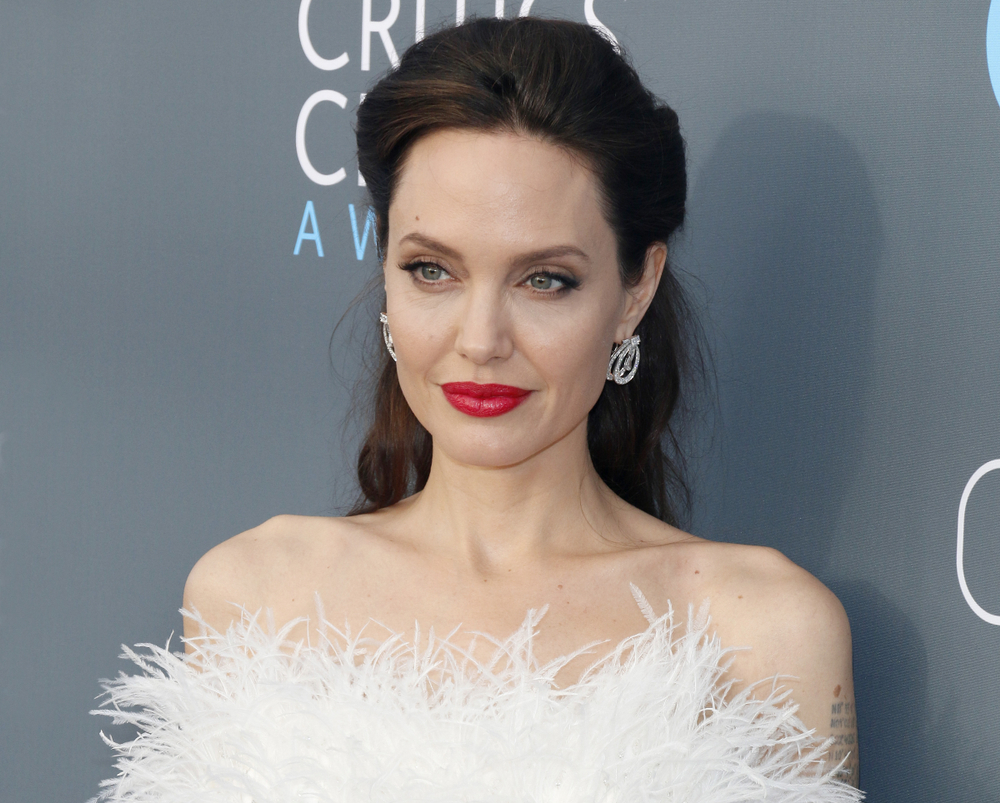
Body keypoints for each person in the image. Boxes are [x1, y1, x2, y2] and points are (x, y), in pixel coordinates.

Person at [92, 17, 863, 802]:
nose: (481, 339)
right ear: (387, 270)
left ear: (636, 289)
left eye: (545, 280)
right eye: (432, 270)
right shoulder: (254, 595)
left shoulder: (762, 633)